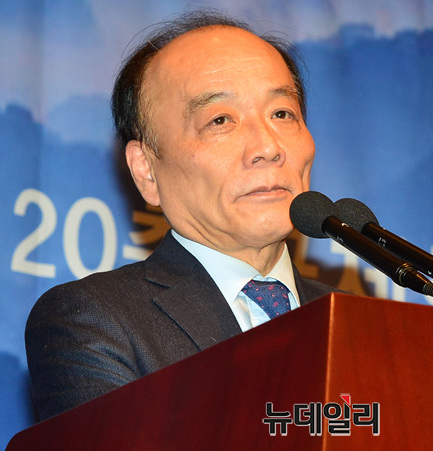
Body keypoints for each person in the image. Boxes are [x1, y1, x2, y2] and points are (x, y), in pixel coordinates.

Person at [25, 10, 338, 421]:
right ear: (147, 171)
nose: (268, 147)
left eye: (282, 114)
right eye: (220, 120)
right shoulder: (95, 321)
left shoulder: (357, 322)